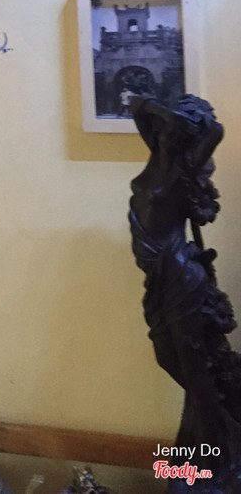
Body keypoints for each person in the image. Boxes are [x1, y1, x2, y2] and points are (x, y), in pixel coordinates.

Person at [129, 95, 241, 492]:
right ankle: (203, 450)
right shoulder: (156, 162)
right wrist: (166, 115)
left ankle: (213, 459)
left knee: (196, 373)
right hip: (158, 281)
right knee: (170, 359)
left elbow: (216, 131)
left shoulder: (182, 168)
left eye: (169, 128)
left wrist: (188, 121)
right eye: (159, 127)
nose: (161, 132)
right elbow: (139, 109)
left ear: (182, 134)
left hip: (182, 278)